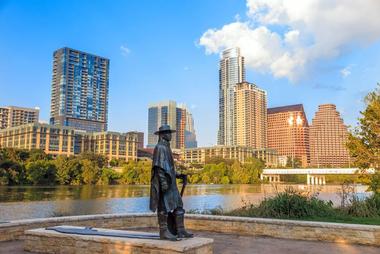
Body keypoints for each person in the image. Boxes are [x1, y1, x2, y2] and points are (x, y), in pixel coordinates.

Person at [149, 125, 193, 240]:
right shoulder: (159, 147)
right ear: (163, 135)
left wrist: (179, 175)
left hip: (171, 183)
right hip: (165, 183)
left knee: (179, 206)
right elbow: (158, 167)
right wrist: (163, 183)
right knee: (163, 207)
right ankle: (164, 232)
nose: (170, 135)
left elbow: (169, 167)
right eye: (168, 133)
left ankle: (180, 230)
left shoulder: (167, 147)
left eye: (170, 133)